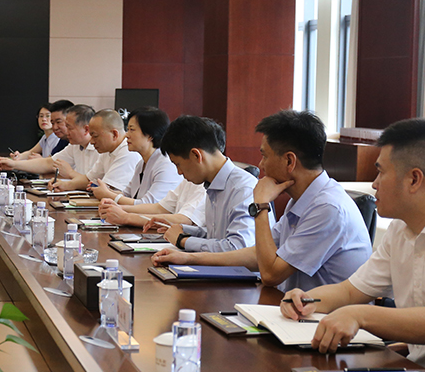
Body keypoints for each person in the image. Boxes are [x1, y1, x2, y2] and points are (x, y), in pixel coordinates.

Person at [281, 118, 425, 372]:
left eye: (381, 172)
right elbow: (349, 292)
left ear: (414, 179)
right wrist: (306, 301)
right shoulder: (401, 229)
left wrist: (358, 316)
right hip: (415, 371)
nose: (374, 183)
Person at [152, 110, 372, 292]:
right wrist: (188, 259)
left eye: (265, 156)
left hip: (322, 322)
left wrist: (260, 206)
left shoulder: (328, 208)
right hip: (293, 311)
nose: (261, 164)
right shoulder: (303, 199)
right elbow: (255, 254)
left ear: (289, 161)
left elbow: (270, 274)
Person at [145, 115, 257, 253]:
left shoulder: (243, 189)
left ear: (196, 155)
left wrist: (182, 240)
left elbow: (238, 248)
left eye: (178, 164)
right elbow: (216, 235)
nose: (179, 172)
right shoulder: (213, 184)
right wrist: (184, 230)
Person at [90, 107, 181, 205]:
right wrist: (105, 191)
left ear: (150, 135)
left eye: (132, 130)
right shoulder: (141, 163)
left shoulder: (166, 164)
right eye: (127, 129)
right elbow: (126, 194)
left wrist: (108, 194)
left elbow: (148, 205)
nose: (126, 135)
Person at [0, 104, 100, 177]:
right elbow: (48, 163)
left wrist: (70, 176)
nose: (67, 132)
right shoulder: (74, 146)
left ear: (86, 129)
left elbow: (92, 182)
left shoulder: (101, 149)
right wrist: (13, 164)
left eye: (70, 128)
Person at [49, 108, 139, 193]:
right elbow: (88, 180)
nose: (91, 142)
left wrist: (71, 176)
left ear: (114, 134)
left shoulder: (128, 152)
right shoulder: (107, 150)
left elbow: (107, 191)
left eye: (95, 136)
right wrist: (65, 185)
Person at [99, 179, 206, 230]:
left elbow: (183, 220)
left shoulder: (203, 185)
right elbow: (159, 208)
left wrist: (126, 217)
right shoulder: (189, 178)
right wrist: (119, 208)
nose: (178, 172)